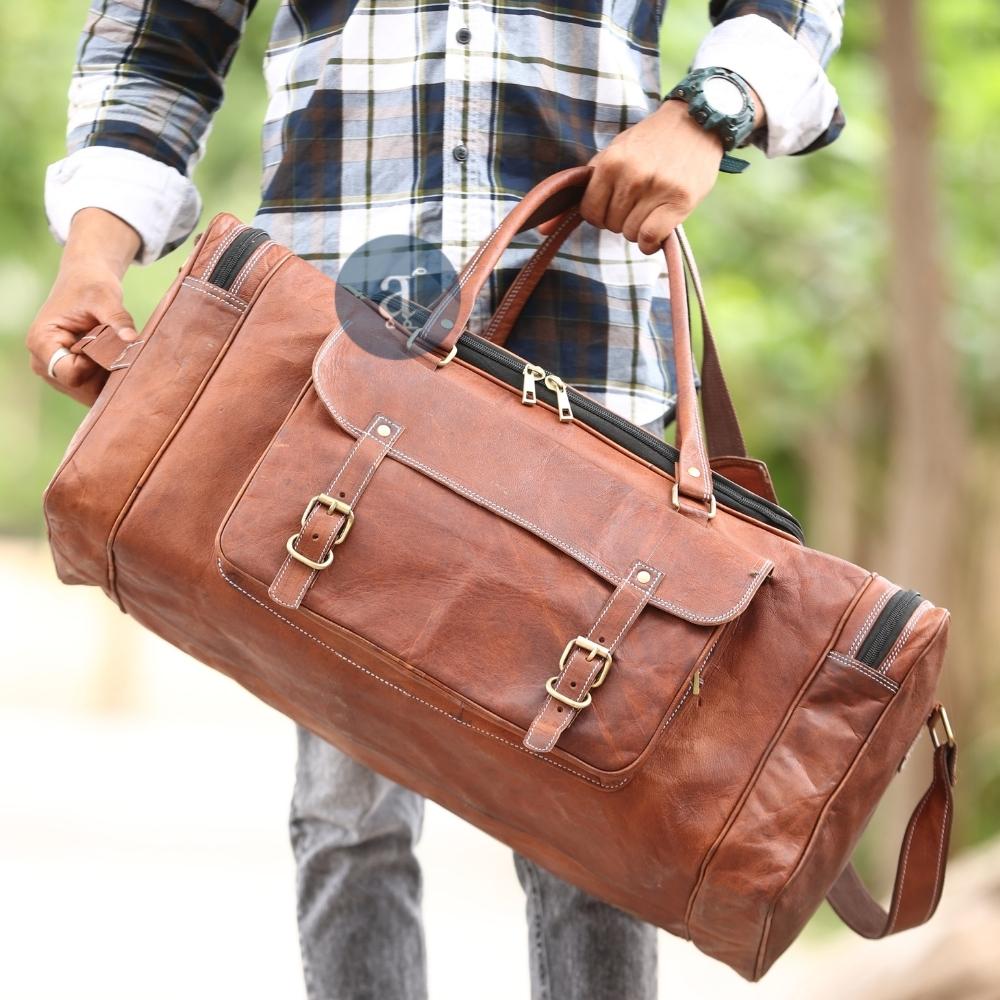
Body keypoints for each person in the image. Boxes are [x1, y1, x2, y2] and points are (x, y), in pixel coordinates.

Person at [27, 2, 845, 997]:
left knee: (589, 821)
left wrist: (712, 107)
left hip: (585, 327)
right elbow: (162, 35)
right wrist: (94, 251)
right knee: (347, 809)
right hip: (339, 340)